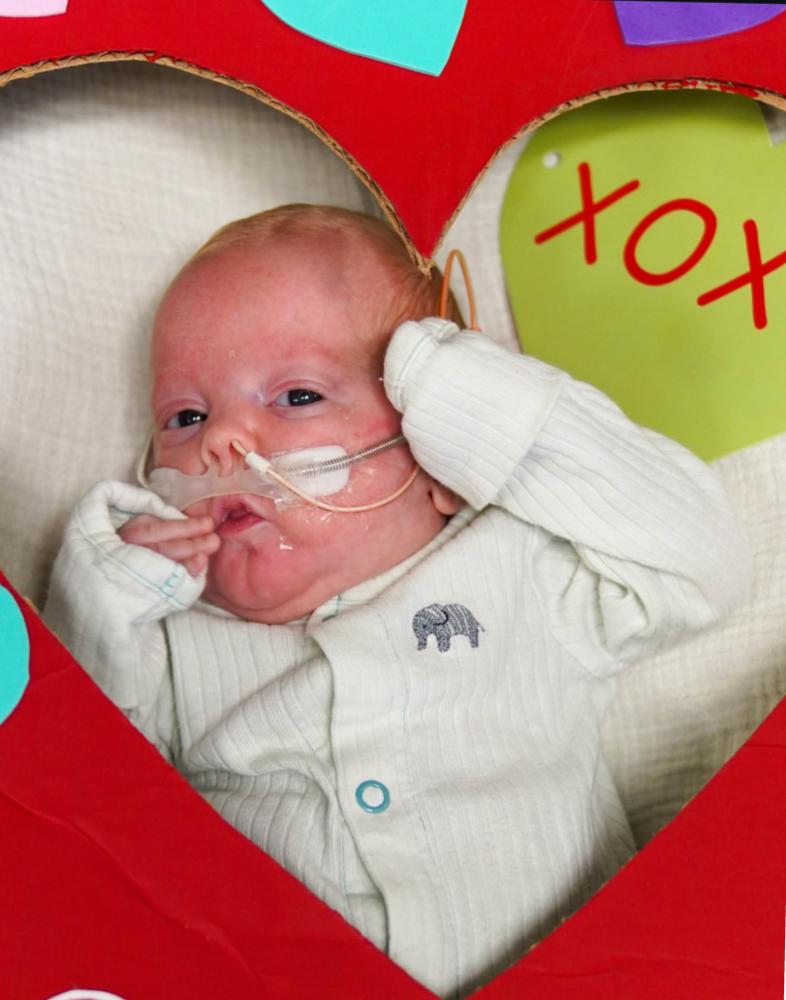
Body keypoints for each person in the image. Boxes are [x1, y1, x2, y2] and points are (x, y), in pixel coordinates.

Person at [44, 204, 751, 999]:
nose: (223, 443)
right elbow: (79, 810)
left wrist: (486, 411)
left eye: (297, 396)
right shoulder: (174, 639)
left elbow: (701, 563)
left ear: (437, 456)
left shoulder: (520, 570)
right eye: (186, 416)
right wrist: (104, 602)